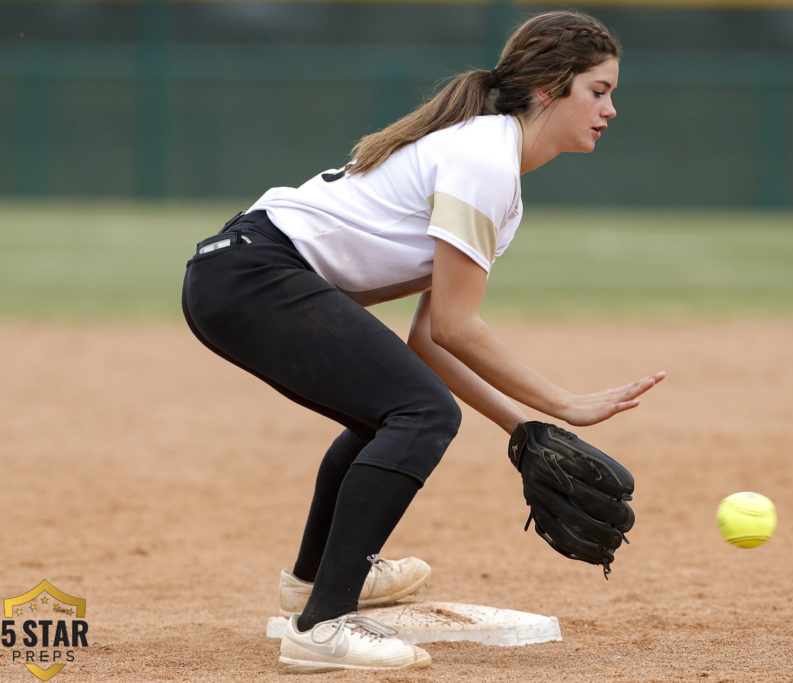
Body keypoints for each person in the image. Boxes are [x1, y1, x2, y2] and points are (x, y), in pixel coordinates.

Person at [181, 9, 664, 673]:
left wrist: (520, 426)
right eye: (598, 89)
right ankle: (320, 625)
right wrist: (565, 403)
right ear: (549, 89)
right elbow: (459, 329)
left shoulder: (494, 170)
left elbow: (433, 338)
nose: (610, 107)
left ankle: (313, 578)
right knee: (421, 412)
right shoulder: (484, 160)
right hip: (253, 273)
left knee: (399, 405)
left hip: (240, 273)